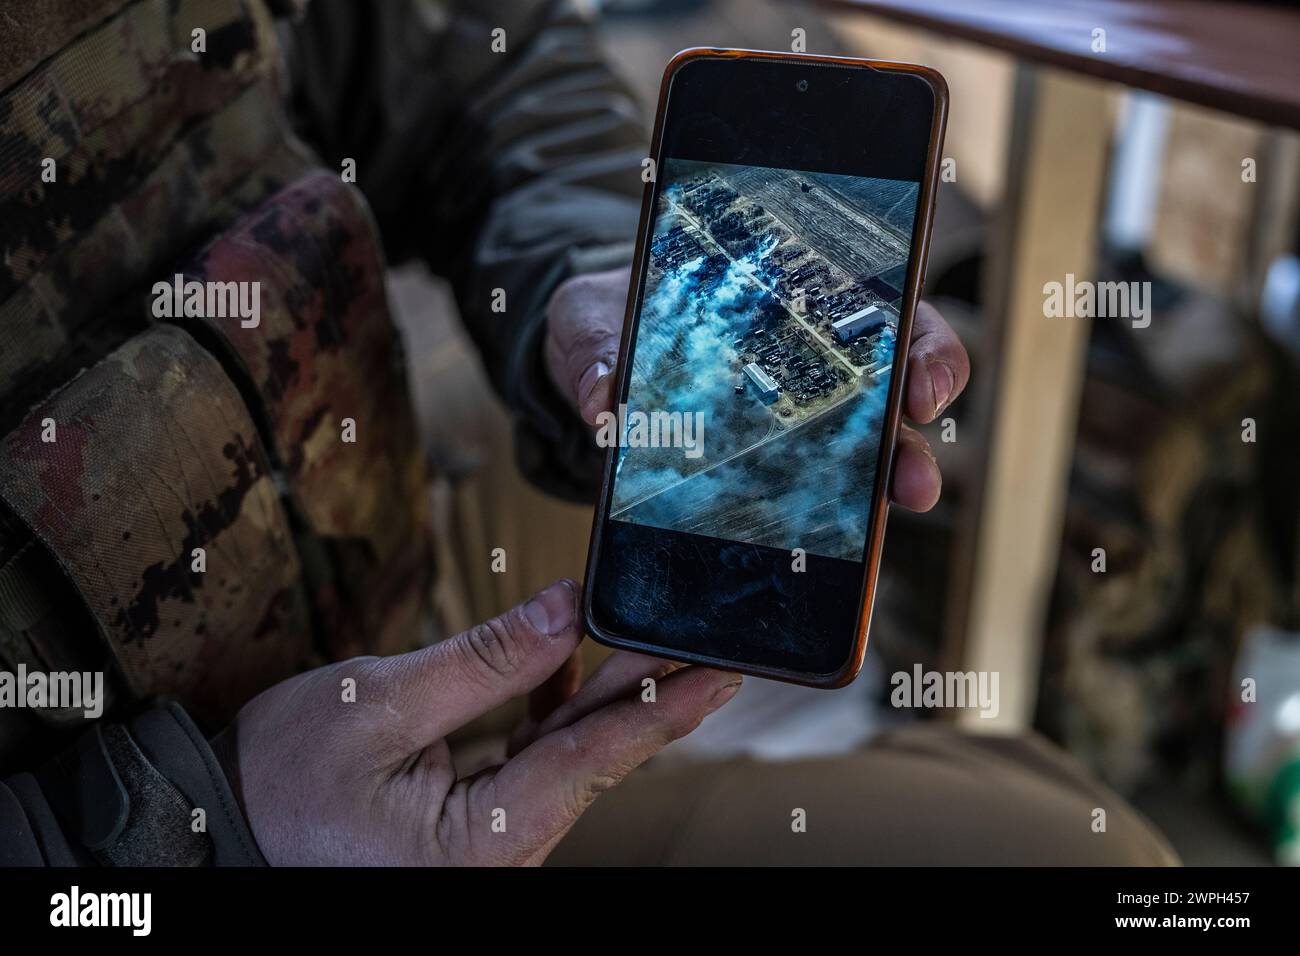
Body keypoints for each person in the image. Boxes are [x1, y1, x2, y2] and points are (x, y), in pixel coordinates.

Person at [0, 0, 1175, 866]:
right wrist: (194, 827)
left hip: (372, 543)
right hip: (212, 821)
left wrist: (594, 267)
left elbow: (477, 63)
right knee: (1085, 854)